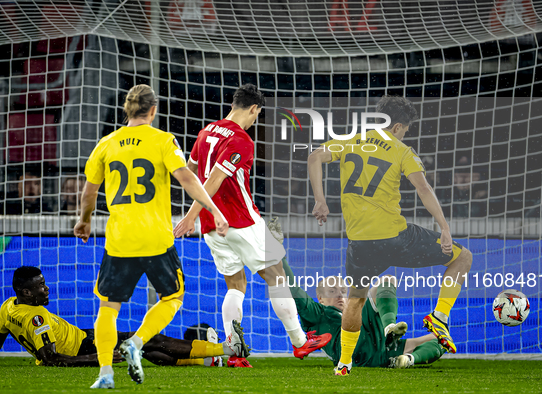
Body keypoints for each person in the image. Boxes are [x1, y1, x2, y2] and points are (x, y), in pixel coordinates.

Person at [74, 84, 231, 389]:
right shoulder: (163, 140)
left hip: (119, 240)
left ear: (126, 110)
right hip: (157, 239)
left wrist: (84, 221)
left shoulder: (106, 143)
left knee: (108, 308)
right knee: (172, 297)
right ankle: (137, 341)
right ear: (153, 110)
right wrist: (214, 209)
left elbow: (89, 192)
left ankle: (105, 372)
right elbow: (186, 176)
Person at [308, 95, 473, 376]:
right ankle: (439, 316)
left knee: (356, 299)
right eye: (406, 129)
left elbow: (313, 157)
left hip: (360, 244)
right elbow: (423, 189)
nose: (406, 133)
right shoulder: (402, 151)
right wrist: (444, 227)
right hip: (396, 238)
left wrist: (320, 201)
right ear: (397, 126)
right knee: (462, 257)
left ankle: (344, 363)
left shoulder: (350, 141)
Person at [173, 83, 332, 367]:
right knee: (277, 275)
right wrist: (190, 215)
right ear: (254, 109)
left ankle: (233, 351)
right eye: (258, 113)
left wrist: (199, 215)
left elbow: (192, 171)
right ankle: (299, 341)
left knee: (235, 284)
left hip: (212, 225)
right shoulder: (242, 141)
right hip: (240, 218)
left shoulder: (207, 131)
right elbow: (214, 181)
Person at [267, 219, 446, 369]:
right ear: (320, 298)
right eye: (332, 291)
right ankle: (390, 334)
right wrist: (279, 252)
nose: (340, 295)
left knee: (440, 338)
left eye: (343, 291)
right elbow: (294, 288)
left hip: (382, 351)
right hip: (351, 353)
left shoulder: (352, 309)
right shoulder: (318, 314)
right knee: (369, 297)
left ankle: (403, 353)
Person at [0, 266, 244, 368]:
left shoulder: (8, 307)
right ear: (25, 291)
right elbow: (50, 359)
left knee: (142, 350)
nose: (46, 288)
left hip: (82, 336)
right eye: (40, 285)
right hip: (84, 346)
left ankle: (206, 362)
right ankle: (223, 349)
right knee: (147, 341)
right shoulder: (36, 318)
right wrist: (94, 358)